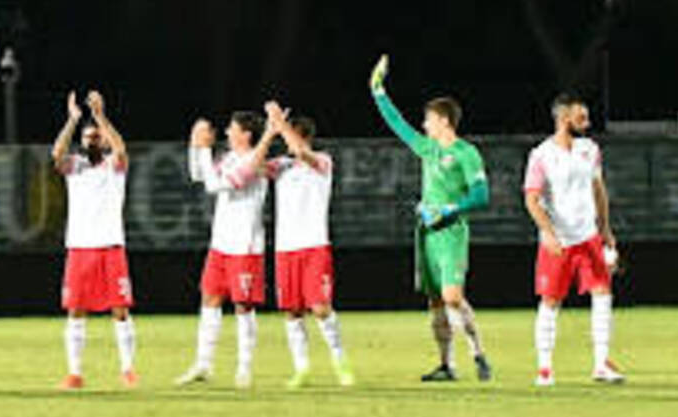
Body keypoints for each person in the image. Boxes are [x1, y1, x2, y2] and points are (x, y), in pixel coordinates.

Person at [369, 56, 492, 382]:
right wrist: (378, 92)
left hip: (451, 232)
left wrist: (449, 209)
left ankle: (478, 353)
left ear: (443, 121)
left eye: (428, 120)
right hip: (426, 234)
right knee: (436, 301)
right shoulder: (428, 149)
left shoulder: (467, 153)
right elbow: (398, 125)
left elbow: (481, 196)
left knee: (454, 296)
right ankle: (446, 365)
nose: (424, 126)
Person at [523, 95, 626, 386]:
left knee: (603, 294)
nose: (588, 122)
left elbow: (598, 189)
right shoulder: (541, 155)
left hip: (589, 237)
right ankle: (544, 368)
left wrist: (605, 228)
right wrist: (548, 232)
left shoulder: (589, 149)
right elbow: (531, 199)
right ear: (564, 118)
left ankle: (601, 364)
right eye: (582, 117)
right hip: (559, 240)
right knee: (551, 301)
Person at [176, 110, 276, 388]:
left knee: (243, 306)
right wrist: (195, 145)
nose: (227, 132)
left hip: (244, 246)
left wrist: (205, 148)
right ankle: (203, 365)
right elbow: (199, 173)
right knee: (210, 300)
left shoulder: (254, 161)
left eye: (232, 129)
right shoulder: (230, 158)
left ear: (245, 134)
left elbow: (213, 184)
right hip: (220, 244)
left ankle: (244, 369)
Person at [50, 90, 138, 390]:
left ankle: (128, 369)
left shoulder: (114, 166)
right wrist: (73, 120)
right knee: (75, 309)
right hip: (79, 247)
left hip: (111, 245)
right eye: (88, 137)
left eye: (96, 136)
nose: (92, 140)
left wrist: (100, 117)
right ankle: (74, 373)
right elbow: (56, 155)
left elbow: (122, 150)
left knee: (120, 309)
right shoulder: (75, 166)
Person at [262, 100, 352, 388]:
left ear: (304, 137)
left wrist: (280, 123)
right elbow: (254, 167)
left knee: (321, 307)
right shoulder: (282, 166)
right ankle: (302, 368)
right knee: (291, 311)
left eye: (290, 136)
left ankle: (340, 362)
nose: (288, 144)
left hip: (314, 246)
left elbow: (301, 151)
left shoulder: (322, 162)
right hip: (285, 249)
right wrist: (268, 133)